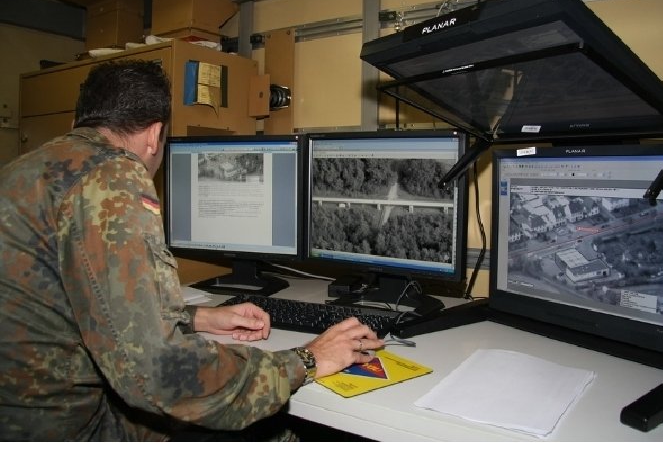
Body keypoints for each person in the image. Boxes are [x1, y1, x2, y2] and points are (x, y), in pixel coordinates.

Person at [0, 60, 384, 441]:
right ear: (155, 135)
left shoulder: (25, 169)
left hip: (23, 419)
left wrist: (196, 317)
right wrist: (307, 359)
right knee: (277, 436)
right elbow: (161, 376)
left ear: (77, 122)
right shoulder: (111, 177)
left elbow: (79, 303)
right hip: (67, 432)